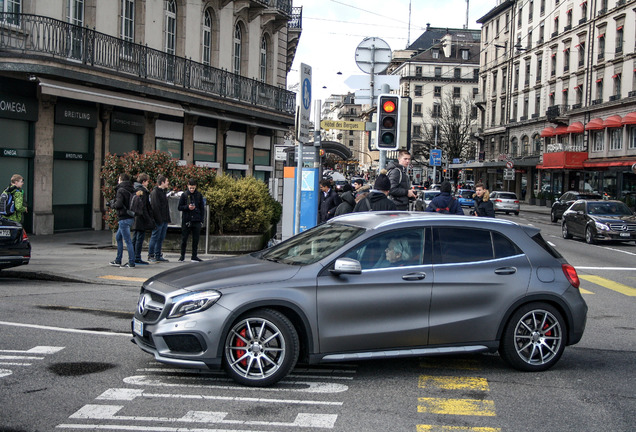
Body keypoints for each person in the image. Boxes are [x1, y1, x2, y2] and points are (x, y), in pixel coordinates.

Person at [109, 173, 136, 268]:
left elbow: (119, 204)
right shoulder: (132, 189)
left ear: (121, 180)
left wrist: (112, 204)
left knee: (128, 241)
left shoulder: (120, 190)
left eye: (118, 179)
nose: (117, 181)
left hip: (123, 218)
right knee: (118, 237)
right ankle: (118, 260)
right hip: (130, 216)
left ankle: (131, 262)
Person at [178, 178, 205, 262]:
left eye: (193, 188)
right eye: (190, 188)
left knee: (196, 239)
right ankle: (182, 255)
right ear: (188, 186)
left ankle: (194, 256)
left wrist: (201, 220)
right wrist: (187, 207)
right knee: (184, 239)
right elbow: (179, 207)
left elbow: (202, 208)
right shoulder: (184, 195)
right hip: (187, 219)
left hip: (196, 219)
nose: (192, 189)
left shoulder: (199, 195)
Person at [131, 173, 155, 265]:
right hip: (141, 217)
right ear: (144, 182)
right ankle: (137, 257)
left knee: (135, 237)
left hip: (135, 216)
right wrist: (148, 219)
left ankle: (133, 256)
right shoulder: (143, 191)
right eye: (147, 181)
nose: (148, 183)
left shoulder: (135, 189)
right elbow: (144, 206)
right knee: (139, 238)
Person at [147, 174, 172, 263]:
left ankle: (158, 254)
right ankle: (151, 255)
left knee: (160, 238)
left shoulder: (163, 192)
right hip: (159, 220)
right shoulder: (155, 192)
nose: (168, 183)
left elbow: (165, 207)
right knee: (155, 237)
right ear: (162, 182)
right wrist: (159, 220)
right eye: (167, 181)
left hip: (164, 219)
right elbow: (155, 207)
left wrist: (167, 219)